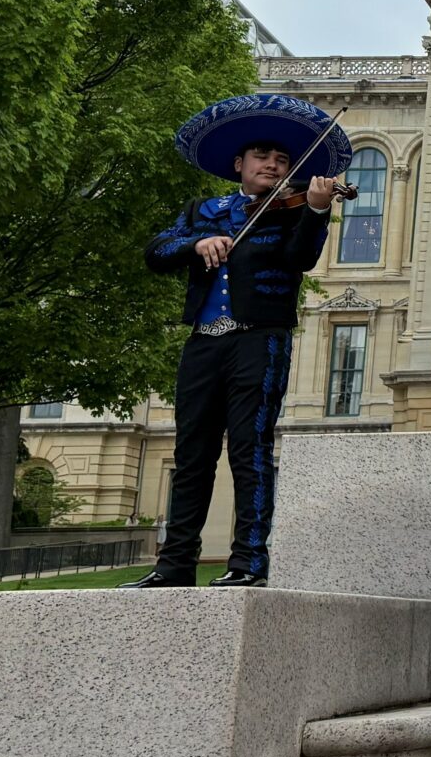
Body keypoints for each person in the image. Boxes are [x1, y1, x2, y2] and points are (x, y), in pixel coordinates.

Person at [136, 136, 339, 587]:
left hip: (259, 339)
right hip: (204, 342)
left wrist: (319, 209)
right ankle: (174, 566)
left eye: (282, 159)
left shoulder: (295, 208)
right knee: (192, 455)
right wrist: (197, 244)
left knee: (250, 450)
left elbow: (300, 258)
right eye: (263, 157)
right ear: (238, 163)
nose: (272, 164)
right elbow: (156, 252)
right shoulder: (201, 211)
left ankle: (249, 562)